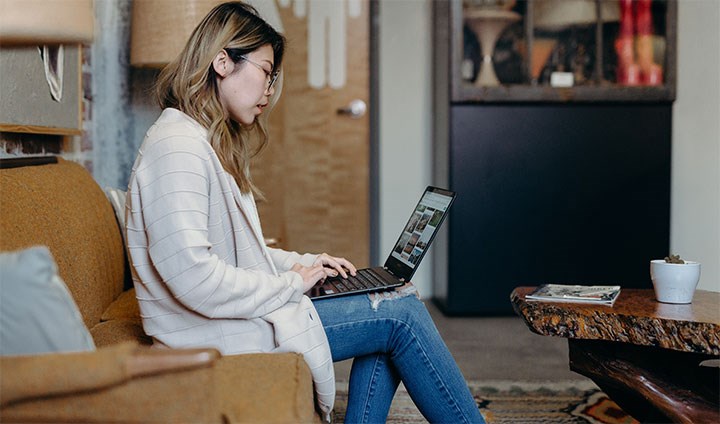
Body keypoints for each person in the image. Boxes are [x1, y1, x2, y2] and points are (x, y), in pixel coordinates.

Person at [125, 2, 485, 423]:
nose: (269, 90)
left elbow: (241, 253)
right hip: (213, 333)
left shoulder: (198, 142)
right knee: (401, 314)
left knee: (393, 295)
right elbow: (194, 277)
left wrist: (306, 264)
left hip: (230, 320)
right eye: (265, 71)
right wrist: (291, 285)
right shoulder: (177, 148)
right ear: (222, 62)